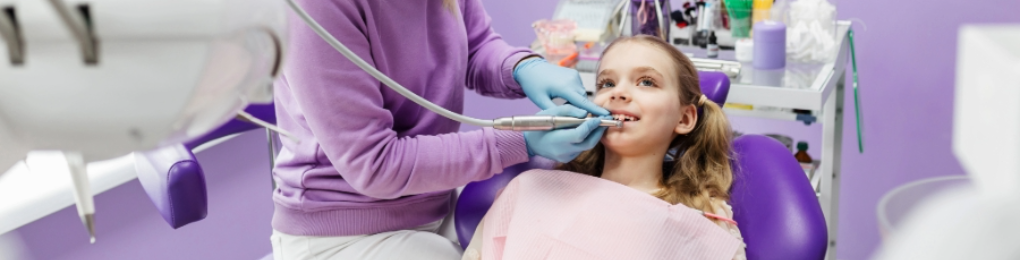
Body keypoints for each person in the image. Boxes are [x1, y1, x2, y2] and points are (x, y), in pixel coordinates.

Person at [268, 0, 612, 259]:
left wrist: (523, 67)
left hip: (432, 202)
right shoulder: (313, 9)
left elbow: (475, 46)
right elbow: (375, 165)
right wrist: (522, 142)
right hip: (345, 232)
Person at [463, 35, 747, 260]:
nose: (618, 92)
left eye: (646, 82)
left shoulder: (703, 217)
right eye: (606, 83)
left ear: (684, 118)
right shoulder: (531, 188)